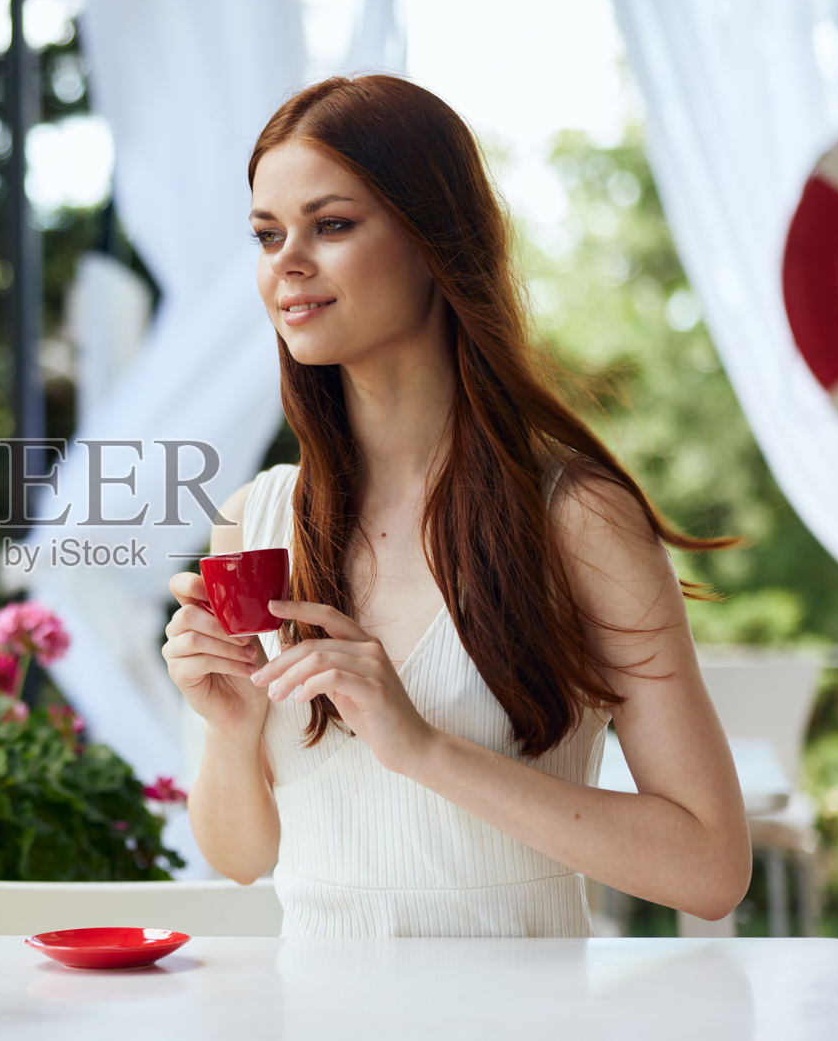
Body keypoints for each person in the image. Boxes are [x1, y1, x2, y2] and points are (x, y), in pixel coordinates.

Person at [160, 74, 751, 938]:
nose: (286, 261)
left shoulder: (576, 518)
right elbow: (243, 857)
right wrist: (232, 725)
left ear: (435, 239)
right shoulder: (255, 520)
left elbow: (710, 867)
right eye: (266, 233)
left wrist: (425, 749)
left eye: (331, 225)